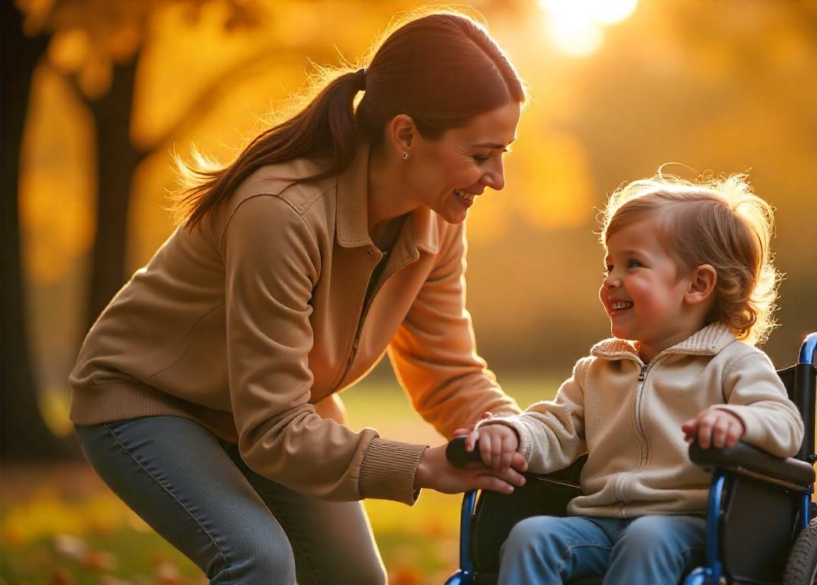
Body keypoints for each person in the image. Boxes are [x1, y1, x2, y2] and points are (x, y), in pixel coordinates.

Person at [69, 10, 531, 584]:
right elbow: (272, 427)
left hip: (275, 410)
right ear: (406, 135)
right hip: (151, 399)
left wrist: (513, 432)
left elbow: (446, 370)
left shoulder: (438, 216)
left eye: (503, 152)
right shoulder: (280, 212)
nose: (497, 178)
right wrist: (421, 465)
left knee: (355, 578)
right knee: (258, 561)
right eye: (482, 154)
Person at [466, 172, 805, 584]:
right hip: (599, 523)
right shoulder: (598, 370)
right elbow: (553, 428)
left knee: (647, 536)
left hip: (693, 528)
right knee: (532, 535)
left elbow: (785, 424)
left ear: (697, 284)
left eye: (632, 264)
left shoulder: (734, 364)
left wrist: (739, 423)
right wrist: (512, 434)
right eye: (609, 264)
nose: (610, 279)